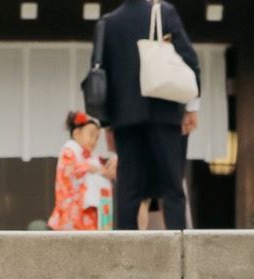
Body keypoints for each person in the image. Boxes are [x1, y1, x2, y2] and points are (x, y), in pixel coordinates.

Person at [95, 0, 200, 231]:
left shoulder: (109, 23)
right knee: (172, 187)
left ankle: (126, 250)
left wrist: (107, 125)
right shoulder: (163, 12)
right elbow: (190, 59)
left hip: (124, 118)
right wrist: (192, 106)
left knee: (128, 189)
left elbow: (100, 76)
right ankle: (178, 248)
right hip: (163, 111)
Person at [49, 113, 116, 232]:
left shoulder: (92, 157)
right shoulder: (69, 150)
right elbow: (69, 170)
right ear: (76, 134)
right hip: (72, 208)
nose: (94, 140)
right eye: (91, 134)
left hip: (88, 208)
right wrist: (90, 168)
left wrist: (103, 171)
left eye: (97, 137)